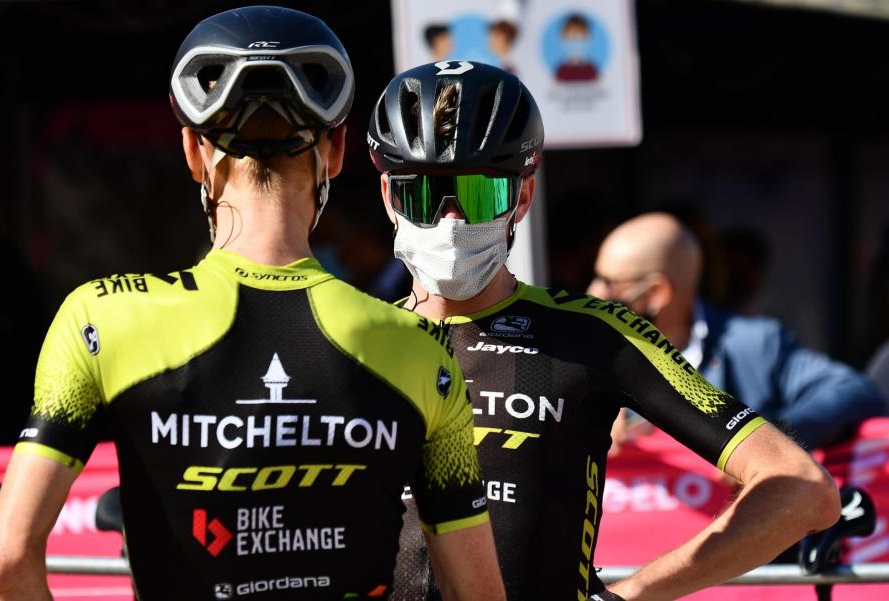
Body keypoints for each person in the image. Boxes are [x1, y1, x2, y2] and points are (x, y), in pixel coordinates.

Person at [0, 7, 504, 601]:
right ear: (336, 151)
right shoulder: (420, 348)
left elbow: (5, 566)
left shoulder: (100, 317)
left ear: (192, 153)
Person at [367, 61, 840, 601]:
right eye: (426, 195)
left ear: (521, 197)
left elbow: (801, 489)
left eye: (477, 195)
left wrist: (630, 595)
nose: (450, 222)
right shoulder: (351, 337)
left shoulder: (598, 332)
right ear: (389, 196)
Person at [588, 212, 885, 451]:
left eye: (610, 283)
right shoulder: (581, 352)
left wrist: (765, 441)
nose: (593, 293)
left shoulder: (754, 344)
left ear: (657, 292)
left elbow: (854, 391)